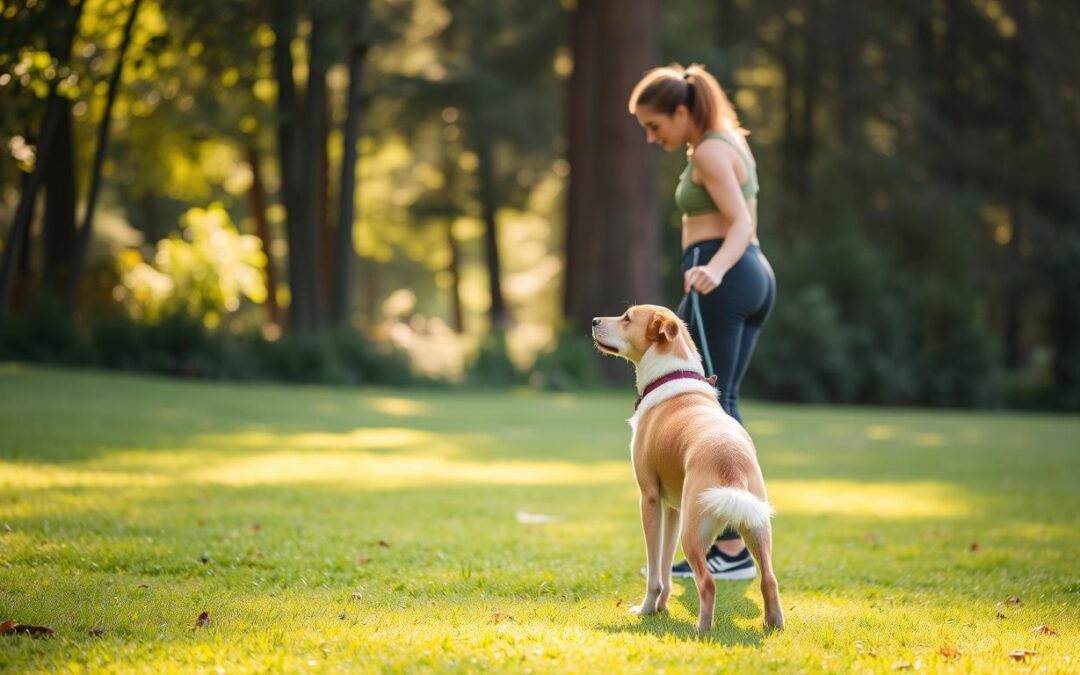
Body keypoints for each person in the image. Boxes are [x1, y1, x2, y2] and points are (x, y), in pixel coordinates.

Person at [628, 63, 776, 580]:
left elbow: (740, 223)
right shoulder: (727, 139)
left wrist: (712, 267)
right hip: (749, 276)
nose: (652, 137)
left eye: (655, 125)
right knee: (720, 398)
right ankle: (728, 541)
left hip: (726, 273)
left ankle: (731, 549)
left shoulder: (711, 149)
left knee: (715, 403)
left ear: (682, 111)